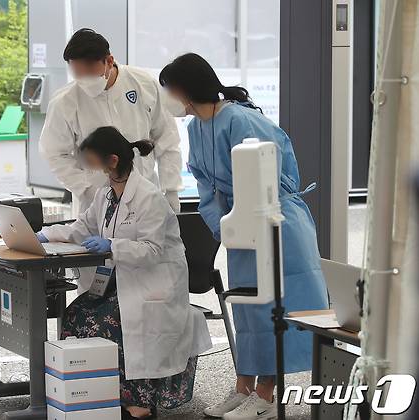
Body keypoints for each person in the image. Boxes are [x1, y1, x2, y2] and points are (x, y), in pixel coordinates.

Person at [159, 53, 328, 420]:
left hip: (276, 222)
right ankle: (243, 388)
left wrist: (243, 219)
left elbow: (271, 177)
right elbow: (205, 190)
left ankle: (266, 395)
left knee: (274, 308)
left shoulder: (240, 119)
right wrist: (225, 226)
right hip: (241, 226)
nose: (167, 98)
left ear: (186, 89)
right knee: (248, 309)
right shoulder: (194, 129)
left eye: (169, 89)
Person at [37, 127, 209, 420]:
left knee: (108, 321)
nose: (89, 167)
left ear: (112, 161)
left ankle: (138, 401)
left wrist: (112, 245)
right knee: (76, 313)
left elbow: (152, 250)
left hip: (153, 285)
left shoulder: (149, 197)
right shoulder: (106, 194)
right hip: (121, 282)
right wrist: (44, 234)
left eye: (92, 161)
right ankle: (99, 393)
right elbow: (81, 228)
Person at [40, 28, 183, 218]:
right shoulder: (65, 102)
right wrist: (87, 189)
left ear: (109, 61)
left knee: (147, 244)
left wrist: (171, 189)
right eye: (78, 75)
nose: (85, 81)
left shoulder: (144, 84)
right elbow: (54, 154)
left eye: (90, 73)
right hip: (95, 205)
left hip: (145, 194)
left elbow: (167, 140)